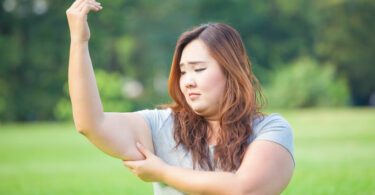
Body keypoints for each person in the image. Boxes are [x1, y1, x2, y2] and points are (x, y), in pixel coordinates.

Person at [66, 0, 295, 194]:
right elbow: (92, 123)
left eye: (199, 69)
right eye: (183, 71)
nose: (187, 81)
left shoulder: (271, 130)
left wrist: (163, 172)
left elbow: (242, 189)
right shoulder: (162, 126)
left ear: (231, 72)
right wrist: (79, 42)